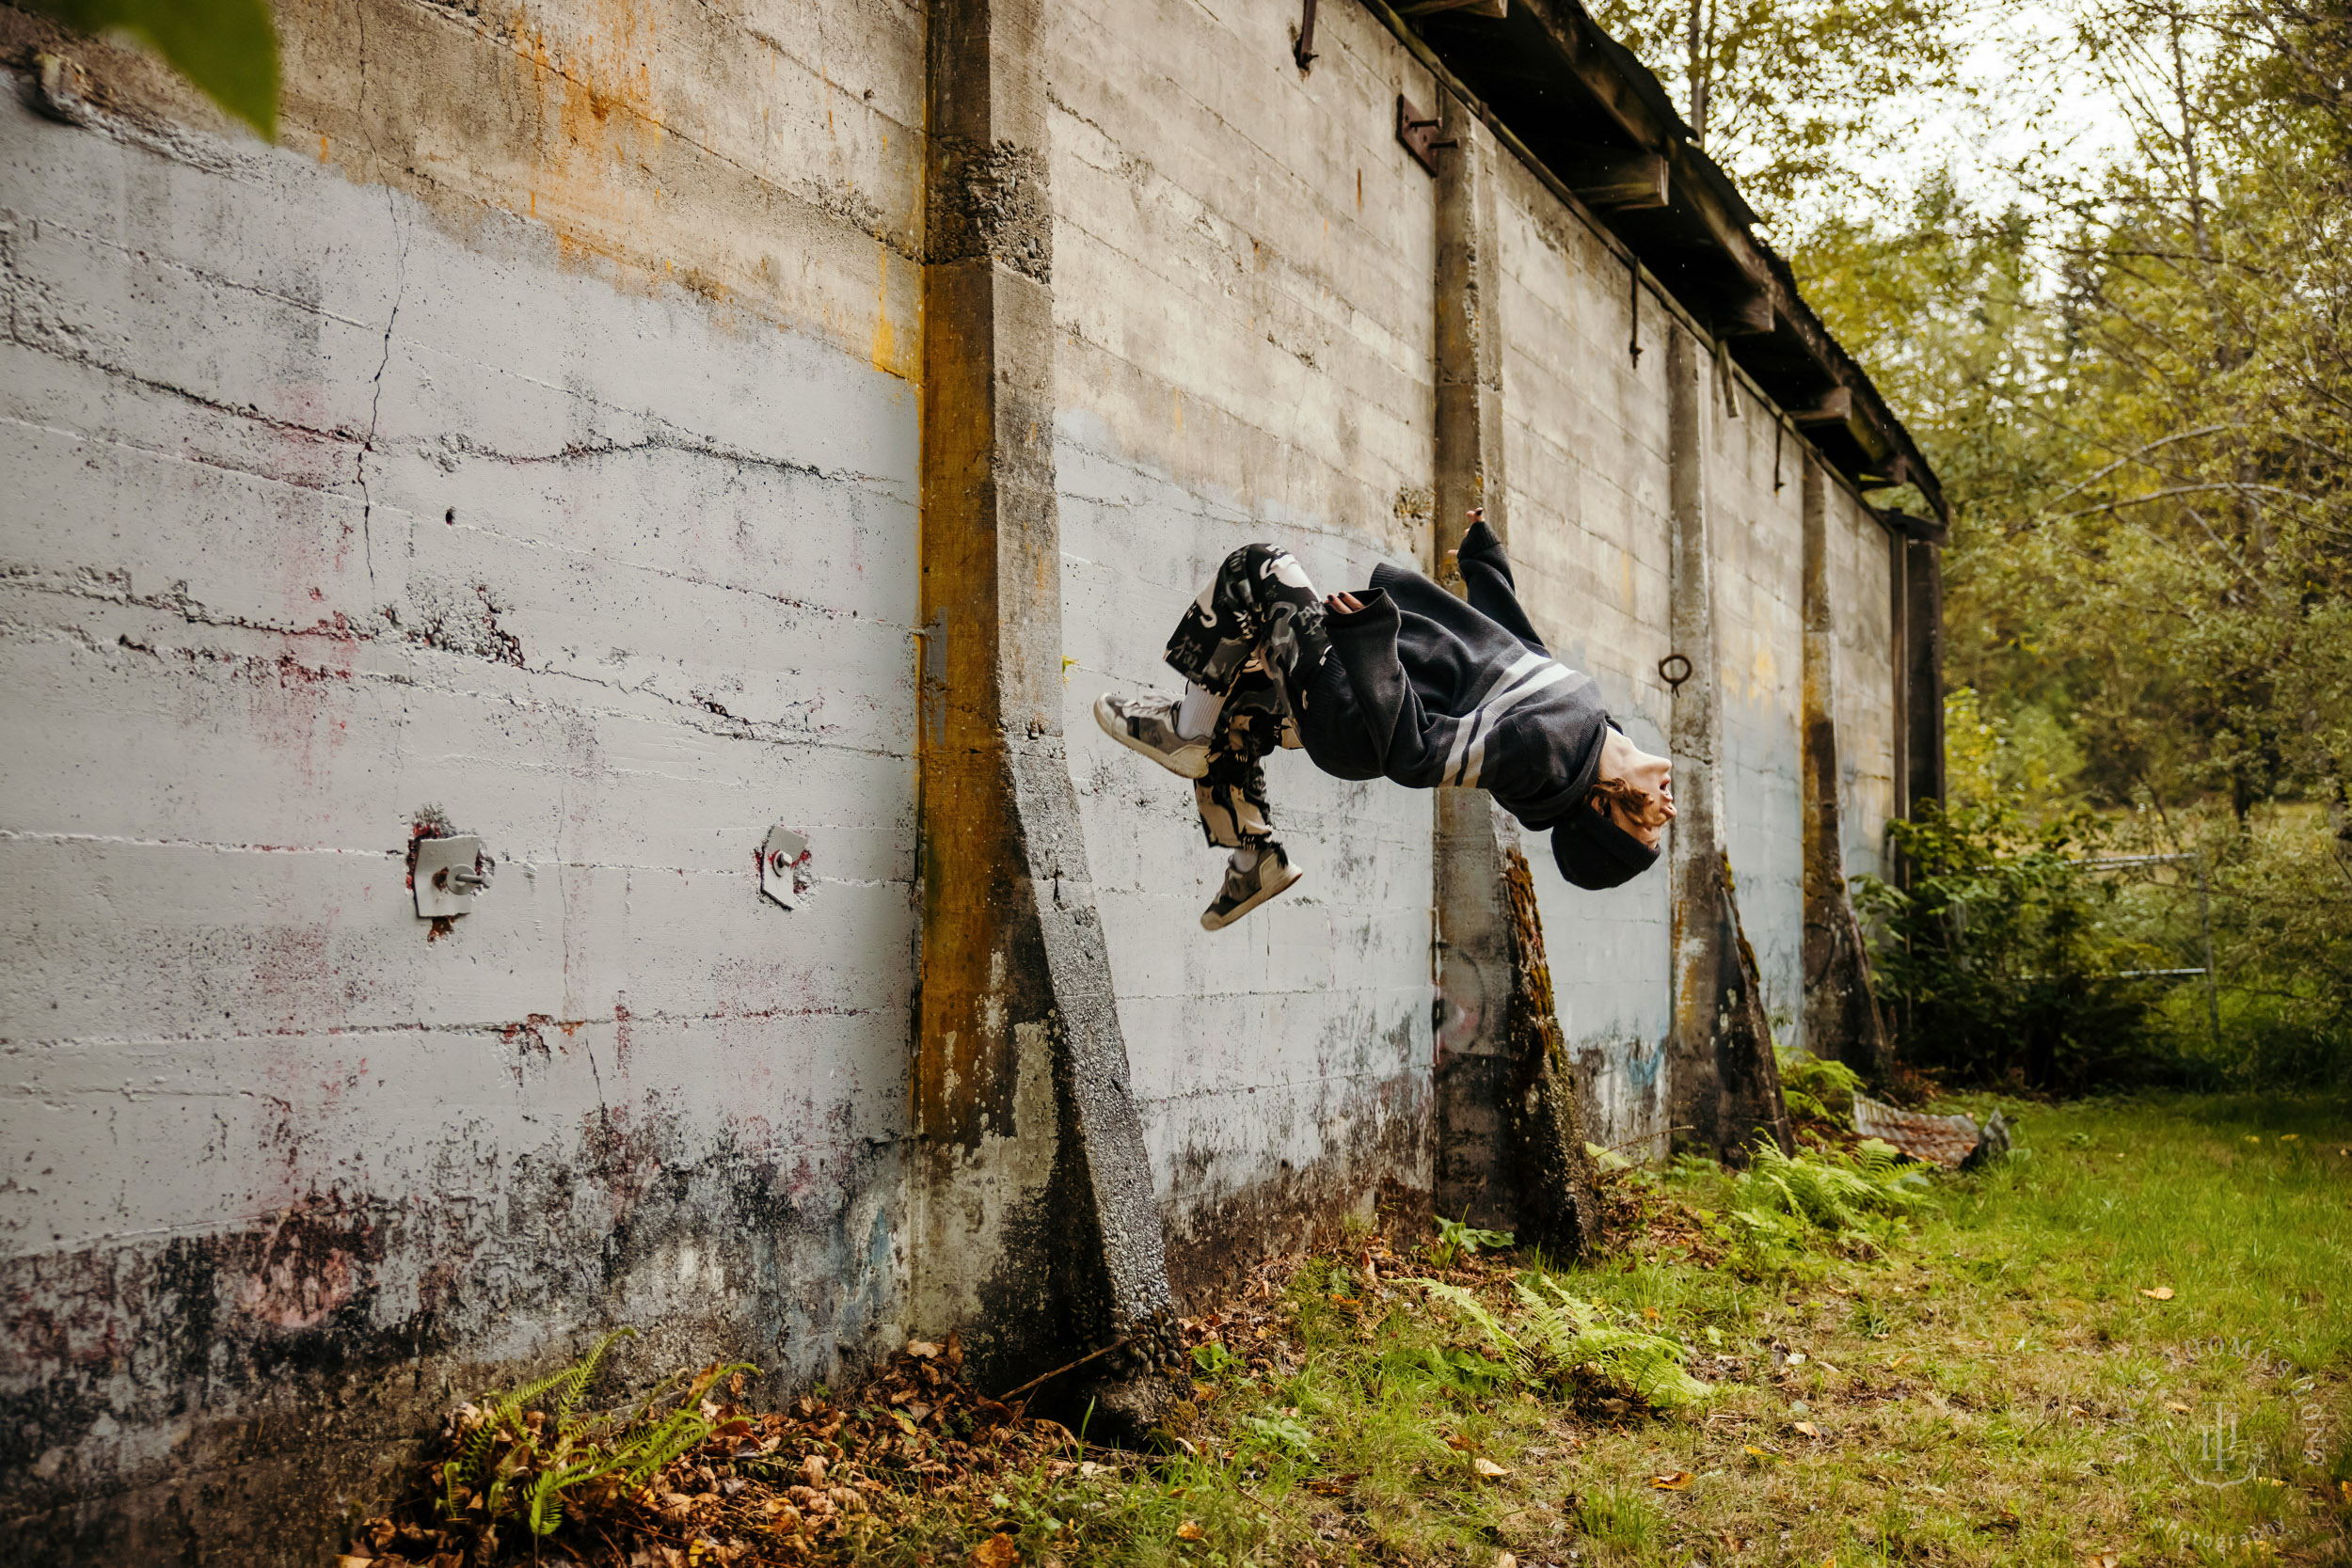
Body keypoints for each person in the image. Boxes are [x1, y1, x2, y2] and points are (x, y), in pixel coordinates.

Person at [1096, 509, 1677, 929]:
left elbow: (1419, 755)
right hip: (1360, 702)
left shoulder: (1541, 749)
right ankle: (1254, 861)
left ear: (1605, 806)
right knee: (1241, 709)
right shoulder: (1588, 725)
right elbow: (1517, 648)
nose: (1667, 811)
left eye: (1648, 826)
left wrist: (1372, 644)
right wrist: (1485, 565)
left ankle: (1186, 730)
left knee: (1260, 568)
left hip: (1351, 712)